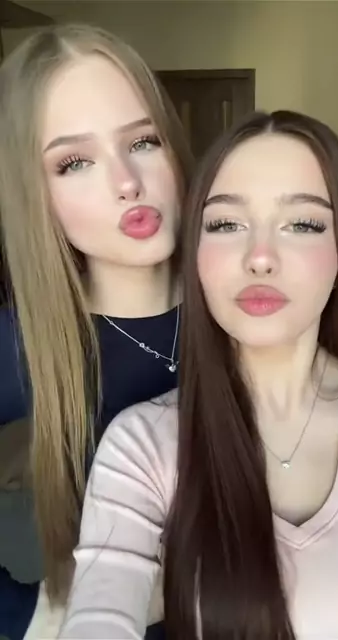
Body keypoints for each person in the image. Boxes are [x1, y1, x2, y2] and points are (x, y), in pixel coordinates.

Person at [59, 109, 338, 640]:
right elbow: (99, 611)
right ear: (196, 256)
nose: (260, 258)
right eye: (226, 224)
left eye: (302, 224)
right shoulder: (141, 443)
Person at [0, 22, 191, 639]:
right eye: (74, 162)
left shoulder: (248, 299)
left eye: (143, 141)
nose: (126, 181)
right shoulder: (24, 345)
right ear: (34, 195)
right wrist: (32, 617)